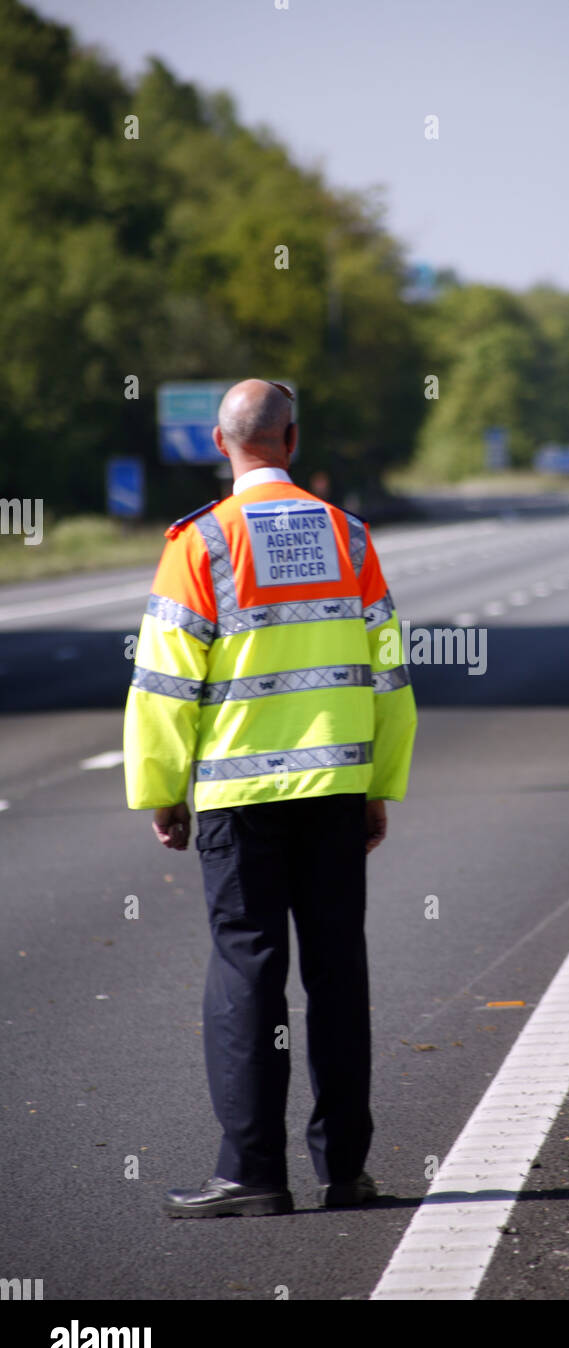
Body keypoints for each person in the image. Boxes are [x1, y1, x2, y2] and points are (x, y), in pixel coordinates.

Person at [123, 378, 417, 1217]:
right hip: (333, 791)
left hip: (237, 797)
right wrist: (376, 784)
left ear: (222, 445)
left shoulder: (199, 543)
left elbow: (164, 682)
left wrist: (160, 788)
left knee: (249, 974)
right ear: (294, 439)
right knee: (336, 972)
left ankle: (251, 1172)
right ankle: (346, 1173)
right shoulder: (351, 538)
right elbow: (388, 673)